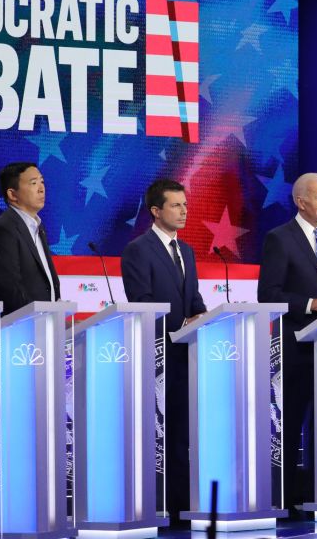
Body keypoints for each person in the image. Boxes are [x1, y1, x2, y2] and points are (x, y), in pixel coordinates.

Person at [258, 172, 317, 509]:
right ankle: (287, 496)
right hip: (297, 346)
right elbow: (268, 294)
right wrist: (311, 304)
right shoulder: (280, 238)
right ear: (301, 202)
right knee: (294, 420)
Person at [121, 179, 206, 527]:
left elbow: (194, 298)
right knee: (159, 434)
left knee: (183, 434)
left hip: (186, 354)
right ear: (156, 211)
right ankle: (157, 506)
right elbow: (142, 303)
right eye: (176, 205)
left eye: (185, 204)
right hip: (156, 357)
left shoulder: (186, 250)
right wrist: (176, 324)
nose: (184, 211)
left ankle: (182, 506)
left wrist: (201, 316)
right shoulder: (138, 250)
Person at [0, 162, 60, 315]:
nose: (41, 188)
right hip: (20, 329)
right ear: (12, 194)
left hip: (44, 324)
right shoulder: (4, 229)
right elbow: (9, 289)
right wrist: (35, 319)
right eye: (33, 183)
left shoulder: (38, 226)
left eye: (42, 181)